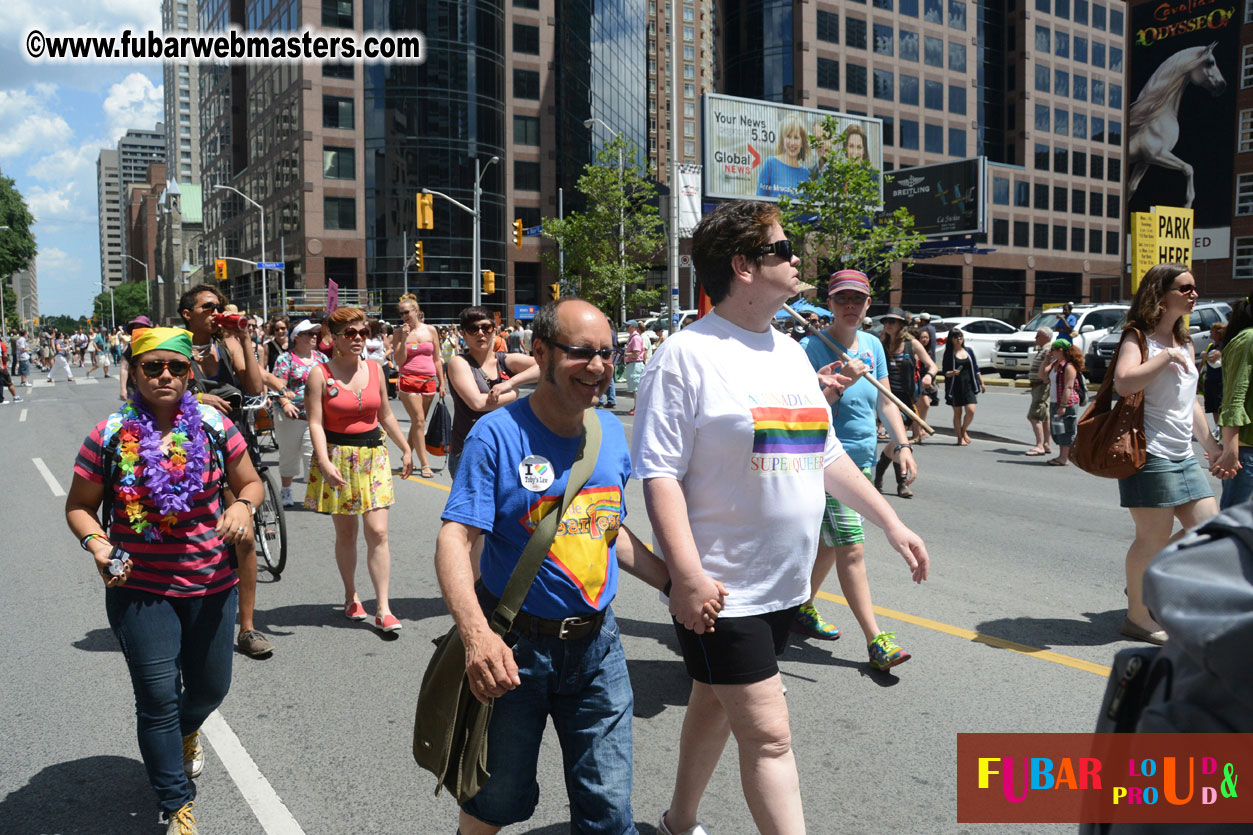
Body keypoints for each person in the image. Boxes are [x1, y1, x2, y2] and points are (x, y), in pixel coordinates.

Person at [634, 202, 929, 835]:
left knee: (713, 702)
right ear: (742, 266)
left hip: (784, 586)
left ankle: (677, 822)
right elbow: (658, 475)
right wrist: (684, 576)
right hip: (721, 589)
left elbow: (822, 454)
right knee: (769, 735)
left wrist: (889, 523)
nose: (798, 259)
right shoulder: (684, 356)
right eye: (782, 248)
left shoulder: (793, 353)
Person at [435, 297, 720, 835]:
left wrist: (676, 582)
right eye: (581, 353)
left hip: (598, 650)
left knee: (609, 809)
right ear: (539, 353)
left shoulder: (610, 433)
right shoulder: (495, 434)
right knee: (491, 800)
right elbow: (455, 538)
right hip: (513, 650)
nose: (598, 367)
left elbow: (605, 528)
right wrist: (476, 636)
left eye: (607, 354)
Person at [63, 326, 264, 834]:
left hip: (212, 585)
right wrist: (99, 543)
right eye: (152, 367)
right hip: (140, 590)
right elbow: (80, 508)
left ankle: (187, 730)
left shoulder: (216, 428)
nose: (165, 376)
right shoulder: (108, 435)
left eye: (175, 367)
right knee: (156, 697)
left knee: (209, 688)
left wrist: (242, 506)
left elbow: (251, 483)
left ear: (189, 372)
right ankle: (176, 804)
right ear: (133, 373)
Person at [793, 268, 921, 671]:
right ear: (829, 304)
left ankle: (801, 607)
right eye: (841, 299)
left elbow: (886, 402)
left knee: (830, 544)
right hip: (826, 461)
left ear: (868, 305)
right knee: (851, 545)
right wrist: (841, 382)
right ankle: (875, 639)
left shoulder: (872, 345)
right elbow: (803, 416)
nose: (850, 306)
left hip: (863, 458)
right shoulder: (808, 349)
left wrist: (901, 446)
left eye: (858, 299)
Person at [1115, 264, 1225, 644]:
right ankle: (1137, 617)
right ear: (1160, 294)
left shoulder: (1186, 341)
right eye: (1185, 288)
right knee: (1151, 539)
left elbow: (1188, 402)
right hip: (1150, 454)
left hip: (1182, 454)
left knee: (1210, 531)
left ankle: (1145, 582)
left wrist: (1210, 446)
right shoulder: (1138, 338)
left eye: (1195, 288)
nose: (1194, 294)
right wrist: (1165, 359)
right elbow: (1123, 382)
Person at [177, 286, 273, 659]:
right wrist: (199, 399)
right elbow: (153, 387)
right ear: (188, 313)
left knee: (244, 535)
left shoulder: (227, 345)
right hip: (188, 451)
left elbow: (253, 387)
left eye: (219, 307)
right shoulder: (177, 345)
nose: (216, 312)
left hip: (233, 447)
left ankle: (246, 628)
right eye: (208, 307)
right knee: (191, 533)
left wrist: (245, 339)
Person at [305, 307, 413, 632]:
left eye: (362, 333)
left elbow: (387, 414)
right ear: (334, 338)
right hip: (338, 457)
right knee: (347, 533)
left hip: (373, 456)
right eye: (350, 334)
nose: (358, 339)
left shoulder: (376, 369)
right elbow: (315, 422)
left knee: (378, 532)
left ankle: (383, 607)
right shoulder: (319, 374)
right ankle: (351, 594)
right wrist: (323, 461)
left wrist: (406, 448)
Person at [446, 307, 541, 480]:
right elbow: (477, 403)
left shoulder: (505, 360)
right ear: (464, 334)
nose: (480, 333)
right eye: (473, 329)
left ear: (495, 331)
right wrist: (513, 394)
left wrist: (511, 383)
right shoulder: (459, 362)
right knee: (476, 506)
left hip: (506, 448)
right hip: (470, 452)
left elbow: (546, 366)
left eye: (486, 328)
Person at [873, 310, 936, 497]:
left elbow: (932, 365)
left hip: (907, 400)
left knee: (896, 442)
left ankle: (878, 477)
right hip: (886, 399)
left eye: (893, 321)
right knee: (899, 441)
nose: (889, 324)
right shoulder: (881, 344)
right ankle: (901, 485)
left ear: (901, 324)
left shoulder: (912, 344)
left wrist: (928, 376)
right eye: (886, 321)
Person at [271, 319, 328, 507]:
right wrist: (285, 402)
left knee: (312, 454)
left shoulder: (322, 359)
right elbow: (278, 385)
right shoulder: (285, 359)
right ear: (297, 337)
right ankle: (286, 490)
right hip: (290, 415)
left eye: (315, 333)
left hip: (315, 415)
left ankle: (313, 494)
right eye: (309, 334)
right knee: (289, 454)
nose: (314, 337)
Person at [394, 293, 445, 479]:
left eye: (407, 312)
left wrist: (442, 382)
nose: (404, 316)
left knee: (418, 423)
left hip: (429, 380)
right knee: (419, 421)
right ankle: (425, 464)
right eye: (401, 314)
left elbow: (437, 359)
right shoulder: (399, 333)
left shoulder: (431, 330)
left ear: (416, 311)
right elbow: (399, 360)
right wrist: (403, 338)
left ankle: (406, 455)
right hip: (408, 379)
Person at [1216, 301, 1253, 507]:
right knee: (1236, 530)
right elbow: (1234, 397)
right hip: (1246, 453)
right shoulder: (1249, 339)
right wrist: (1230, 450)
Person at [1040, 339, 1084, 466]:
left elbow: (1068, 387)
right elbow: (1042, 376)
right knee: (1058, 431)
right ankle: (1061, 456)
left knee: (1067, 431)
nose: (1051, 352)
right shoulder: (1055, 364)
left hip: (1067, 404)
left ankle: (1064, 458)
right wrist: (1045, 360)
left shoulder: (1069, 366)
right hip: (1055, 402)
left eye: (1052, 350)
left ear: (1060, 350)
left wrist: (1063, 406)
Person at [755, 115, 816, 199]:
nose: (792, 143)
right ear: (782, 139)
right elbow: (759, 202)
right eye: (788, 136)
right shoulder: (771, 164)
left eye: (796, 137)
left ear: (802, 142)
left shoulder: (806, 174)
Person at [941, 329, 985, 445]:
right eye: (956, 337)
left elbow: (975, 368)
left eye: (961, 337)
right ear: (951, 339)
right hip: (955, 387)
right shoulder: (949, 353)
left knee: (971, 411)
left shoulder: (968, 351)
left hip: (969, 385)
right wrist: (951, 373)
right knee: (958, 413)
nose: (959, 339)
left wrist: (982, 382)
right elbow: (944, 372)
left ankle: (963, 430)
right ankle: (959, 438)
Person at [1024, 327, 1055, 456]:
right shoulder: (1044, 349)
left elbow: (1050, 367)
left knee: (1034, 415)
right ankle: (1047, 444)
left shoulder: (1048, 349)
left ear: (1045, 337)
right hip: (1039, 385)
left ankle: (1039, 445)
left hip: (1041, 386)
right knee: (1044, 416)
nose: (1035, 338)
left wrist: (1045, 380)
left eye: (1037, 336)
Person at [1201, 321, 1226, 435]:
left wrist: (1204, 355)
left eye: (1212, 331)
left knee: (1219, 405)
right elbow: (1204, 362)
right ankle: (1217, 427)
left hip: (1219, 380)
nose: (1210, 333)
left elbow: (1212, 359)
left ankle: (1221, 428)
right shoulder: (1211, 346)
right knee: (1212, 407)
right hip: (1209, 379)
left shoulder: (1222, 347)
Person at [622, 320, 646, 415]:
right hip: (633, 364)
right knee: (636, 388)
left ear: (633, 327)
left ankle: (637, 408)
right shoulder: (632, 337)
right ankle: (637, 407)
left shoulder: (635, 338)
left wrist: (624, 353)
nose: (626, 328)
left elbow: (636, 353)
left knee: (637, 388)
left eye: (627, 326)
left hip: (635, 364)